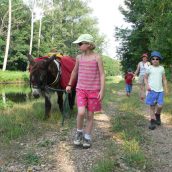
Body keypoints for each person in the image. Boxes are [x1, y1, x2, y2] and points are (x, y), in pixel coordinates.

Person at [66, 34, 105, 148]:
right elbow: (74, 72)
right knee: (81, 112)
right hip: (81, 89)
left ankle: (87, 137)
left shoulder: (97, 57)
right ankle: (79, 132)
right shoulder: (79, 57)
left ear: (88, 44)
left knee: (90, 115)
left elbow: (102, 74)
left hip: (94, 90)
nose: (78, 46)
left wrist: (102, 90)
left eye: (80, 43)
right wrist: (69, 84)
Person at [144, 51, 168, 130]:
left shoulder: (161, 68)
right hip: (152, 90)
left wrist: (166, 88)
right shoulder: (149, 68)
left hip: (160, 90)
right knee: (152, 106)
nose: (155, 60)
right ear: (151, 60)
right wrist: (147, 85)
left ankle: (157, 114)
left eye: (157, 59)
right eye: (153, 59)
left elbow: (164, 79)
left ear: (159, 60)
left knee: (160, 105)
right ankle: (152, 121)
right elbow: (145, 78)